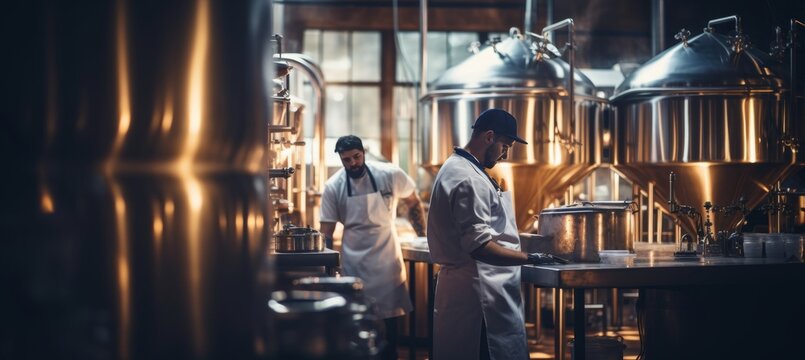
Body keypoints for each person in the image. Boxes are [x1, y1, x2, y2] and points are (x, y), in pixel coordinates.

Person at [427, 108, 566, 360]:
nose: (505, 153)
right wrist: (532, 257)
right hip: (480, 296)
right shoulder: (468, 178)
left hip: (478, 288)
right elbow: (480, 247)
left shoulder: (461, 167)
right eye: (505, 145)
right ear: (489, 137)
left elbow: (491, 230)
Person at [319, 135, 427, 360]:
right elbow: (326, 231)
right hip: (354, 264)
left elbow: (413, 201)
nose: (352, 164)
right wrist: (328, 274)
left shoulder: (389, 174)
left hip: (387, 261)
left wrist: (423, 237)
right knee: (359, 323)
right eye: (346, 160)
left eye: (356, 157)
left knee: (391, 327)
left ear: (363, 153)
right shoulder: (333, 186)